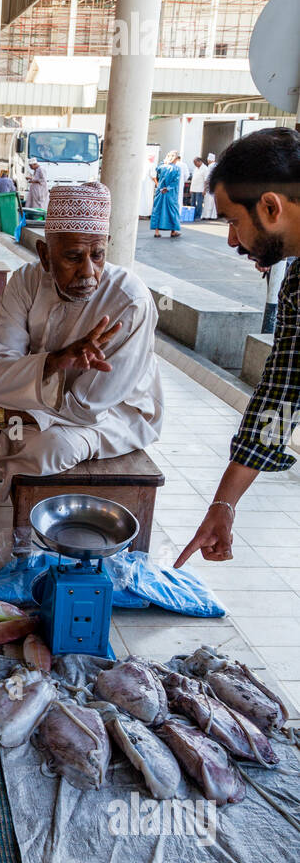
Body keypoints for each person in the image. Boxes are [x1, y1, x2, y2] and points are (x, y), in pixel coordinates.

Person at [0, 181, 162, 493]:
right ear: (45, 255)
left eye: (98, 255)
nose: (88, 271)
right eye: (73, 257)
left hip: (111, 415)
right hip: (32, 388)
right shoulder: (26, 280)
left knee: (47, 448)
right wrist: (54, 363)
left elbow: (87, 408)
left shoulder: (130, 302)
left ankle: (23, 534)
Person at [176, 128, 300, 567]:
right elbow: (281, 394)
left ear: (270, 206)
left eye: (232, 220)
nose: (231, 240)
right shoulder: (296, 284)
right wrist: (224, 504)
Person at [150, 152, 182, 238]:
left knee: (158, 210)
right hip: (170, 193)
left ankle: (156, 232)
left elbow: (156, 174)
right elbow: (176, 181)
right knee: (172, 211)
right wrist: (167, 188)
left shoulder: (161, 167)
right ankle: (173, 231)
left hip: (160, 191)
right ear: (176, 159)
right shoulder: (177, 169)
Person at [189, 156, 207, 220]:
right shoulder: (195, 168)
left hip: (200, 189)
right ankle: (192, 215)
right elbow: (193, 179)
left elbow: (206, 180)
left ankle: (198, 215)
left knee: (199, 203)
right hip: (194, 188)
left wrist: (204, 190)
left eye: (196, 163)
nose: (195, 164)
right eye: (194, 163)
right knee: (192, 203)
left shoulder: (205, 168)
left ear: (200, 161)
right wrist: (191, 189)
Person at [201, 152, 218, 220]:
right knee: (214, 202)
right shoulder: (217, 165)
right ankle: (213, 216)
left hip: (210, 187)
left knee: (208, 201)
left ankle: (207, 216)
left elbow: (207, 178)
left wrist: (204, 189)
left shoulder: (210, 166)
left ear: (209, 160)